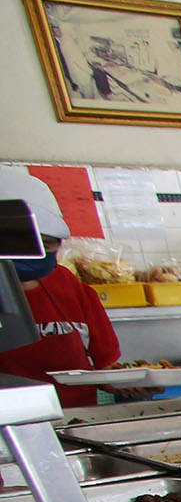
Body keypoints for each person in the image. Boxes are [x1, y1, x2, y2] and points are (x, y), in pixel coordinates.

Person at [0, 168, 119, 408]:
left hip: (81, 419)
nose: (37, 253)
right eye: (24, 244)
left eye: (47, 244)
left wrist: (133, 383)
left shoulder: (70, 285)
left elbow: (106, 368)